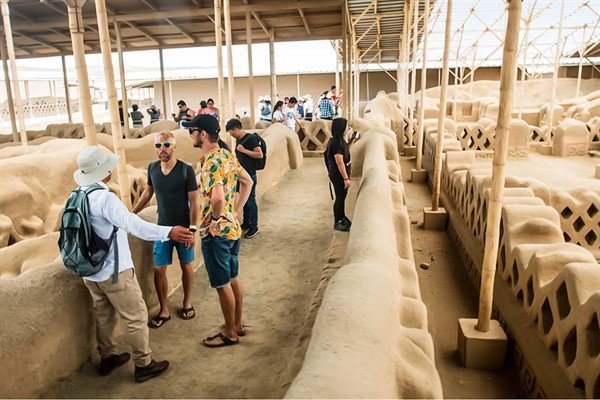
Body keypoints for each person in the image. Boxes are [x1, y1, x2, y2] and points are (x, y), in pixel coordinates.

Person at [71, 146, 193, 381]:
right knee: (136, 316)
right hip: (114, 270)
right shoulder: (104, 198)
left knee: (103, 316)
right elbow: (133, 225)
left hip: (89, 272)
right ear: (104, 170)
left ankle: (108, 357)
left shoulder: (77, 195)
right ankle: (144, 364)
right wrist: (169, 232)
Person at [182, 115, 253, 348]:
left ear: (203, 134)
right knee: (233, 278)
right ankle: (238, 325)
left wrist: (214, 220)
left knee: (222, 284)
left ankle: (230, 332)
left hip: (217, 234)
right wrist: (235, 211)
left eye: (192, 131)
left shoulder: (211, 160)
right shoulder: (227, 155)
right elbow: (247, 182)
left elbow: (218, 197)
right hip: (232, 229)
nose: (190, 134)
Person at [132, 132, 199, 328]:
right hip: (162, 229)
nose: (162, 149)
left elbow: (195, 202)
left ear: (174, 146)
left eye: (166, 144)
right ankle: (164, 309)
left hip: (184, 228)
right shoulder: (152, 168)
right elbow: (148, 192)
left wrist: (193, 230)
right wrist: (132, 213)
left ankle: (187, 302)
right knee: (159, 269)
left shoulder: (186, 170)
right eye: (158, 145)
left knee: (187, 265)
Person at [226, 118, 262, 238]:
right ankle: (246, 223)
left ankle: (254, 226)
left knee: (250, 201)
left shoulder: (251, 139)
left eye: (231, 132)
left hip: (250, 175)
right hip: (242, 175)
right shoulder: (239, 139)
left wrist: (244, 150)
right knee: (245, 200)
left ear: (236, 129)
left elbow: (259, 154)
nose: (231, 135)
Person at [325, 117, 358, 231]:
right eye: (346, 127)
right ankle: (338, 221)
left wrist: (352, 140)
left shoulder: (339, 140)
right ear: (341, 128)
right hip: (338, 175)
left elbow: (345, 150)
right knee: (340, 197)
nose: (347, 129)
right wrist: (345, 178)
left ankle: (342, 217)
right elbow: (339, 162)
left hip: (340, 174)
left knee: (342, 197)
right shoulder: (335, 143)